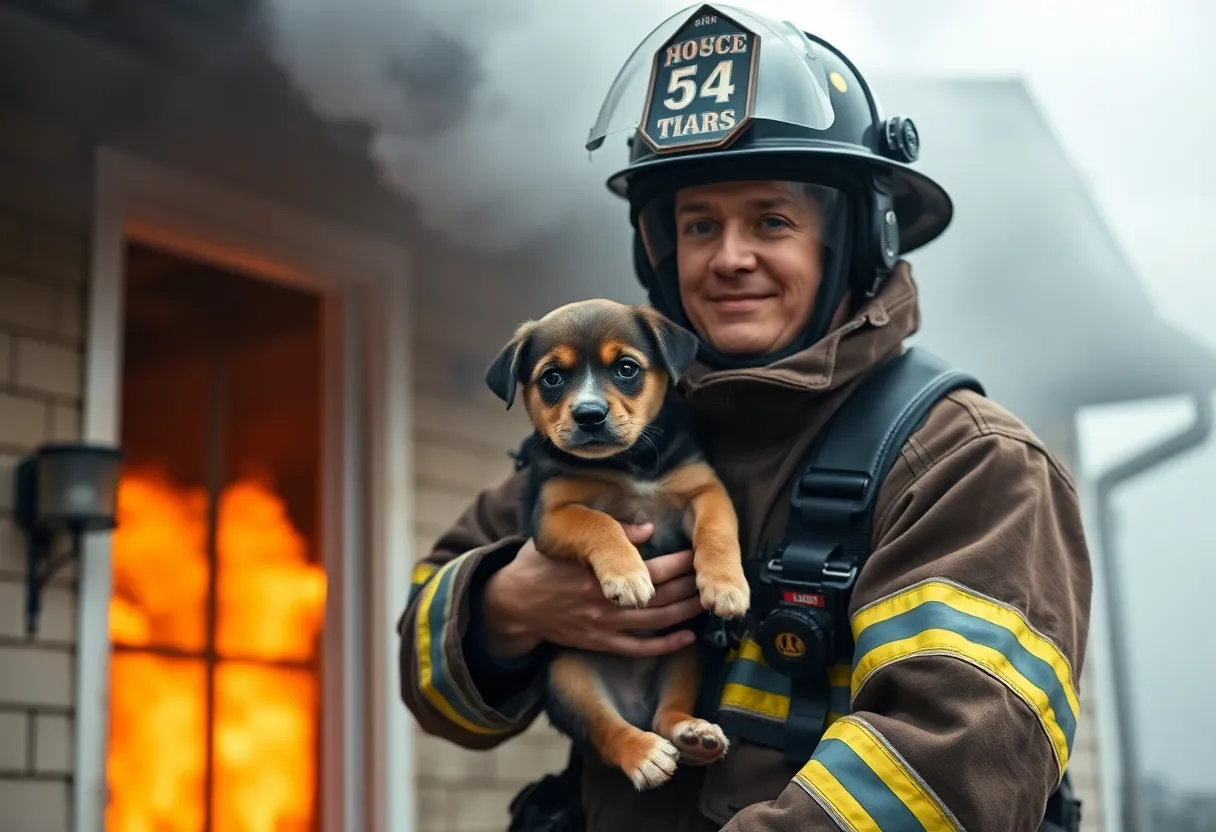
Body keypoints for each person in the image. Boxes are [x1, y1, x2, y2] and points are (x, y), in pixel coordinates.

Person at [398, 5, 1092, 831]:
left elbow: (946, 771)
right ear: (660, 254)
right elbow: (428, 679)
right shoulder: (624, 434)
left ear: (854, 243)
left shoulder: (967, 464)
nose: (729, 257)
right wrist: (506, 607)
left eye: (771, 219)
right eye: (699, 225)